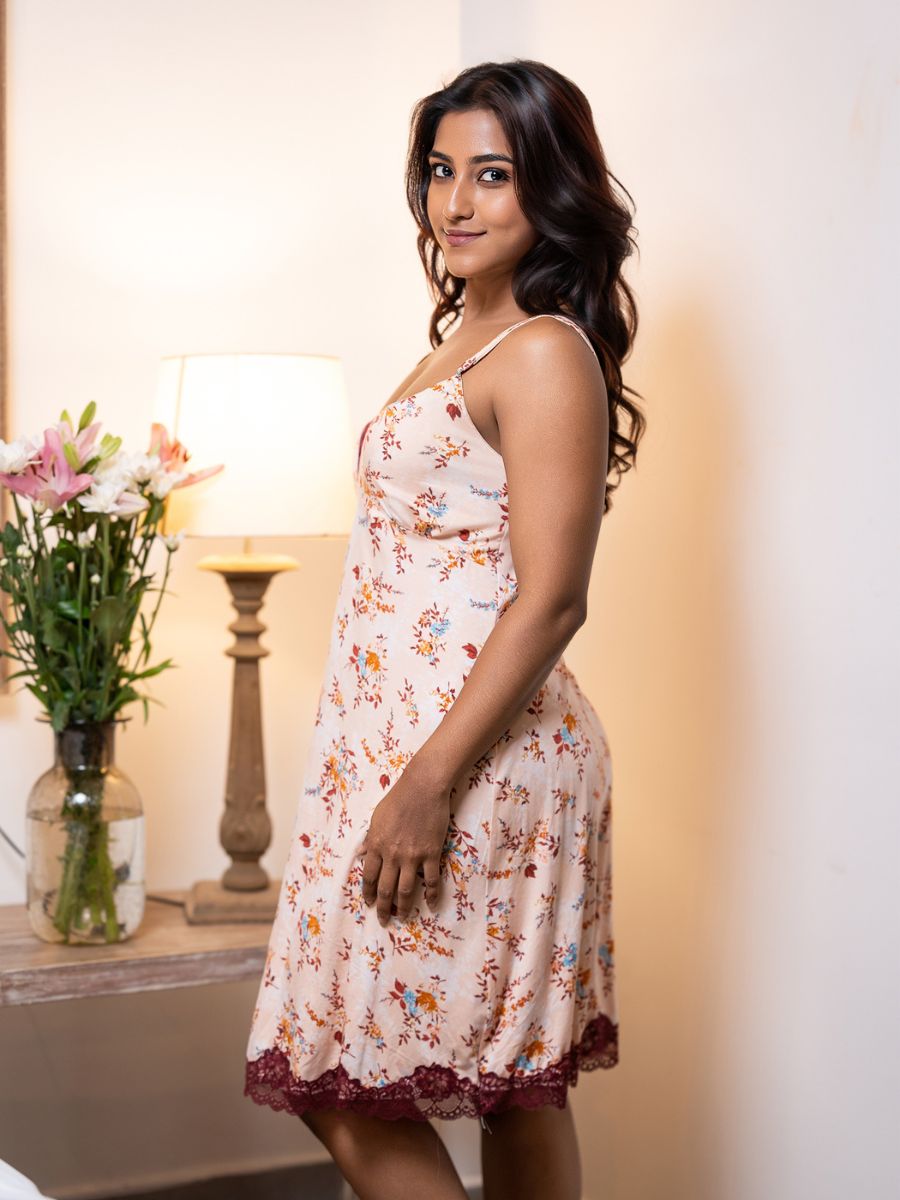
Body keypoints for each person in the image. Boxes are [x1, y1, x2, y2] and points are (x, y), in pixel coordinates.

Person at [244, 58, 645, 1200]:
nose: (457, 202)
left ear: (549, 190)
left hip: (477, 763)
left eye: (493, 175)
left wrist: (427, 780)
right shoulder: (463, 345)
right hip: (407, 752)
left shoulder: (546, 351)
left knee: (380, 1076)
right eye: (440, 172)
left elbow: (554, 595)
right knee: (499, 1082)